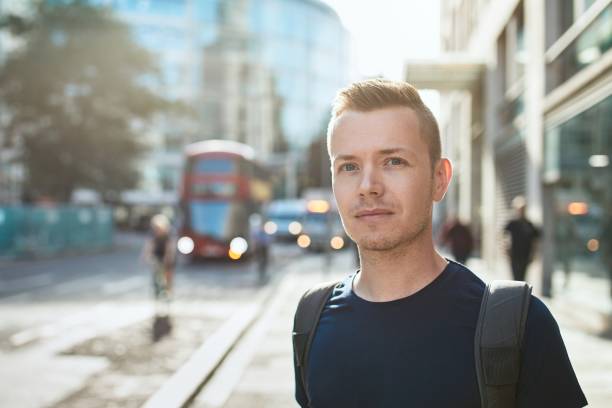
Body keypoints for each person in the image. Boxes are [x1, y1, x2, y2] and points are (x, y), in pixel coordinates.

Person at [293, 79, 586, 407]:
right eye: (349, 166)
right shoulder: (311, 320)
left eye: (393, 161)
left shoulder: (520, 326)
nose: (368, 186)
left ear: (440, 180)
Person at [504, 196, 540, 281]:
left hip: (525, 255)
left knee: (523, 277)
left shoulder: (529, 224)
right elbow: (504, 236)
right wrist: (506, 250)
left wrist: (534, 254)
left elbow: (535, 240)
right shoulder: (512, 223)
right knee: (515, 277)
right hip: (514, 255)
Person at [141, 214, 176, 301]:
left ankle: (168, 290)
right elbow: (149, 245)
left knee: (168, 270)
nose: (157, 231)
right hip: (157, 253)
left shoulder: (169, 233)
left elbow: (170, 248)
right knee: (156, 268)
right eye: (156, 228)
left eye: (159, 229)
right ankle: (156, 288)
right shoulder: (152, 233)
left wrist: (167, 258)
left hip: (167, 252)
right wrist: (145, 256)